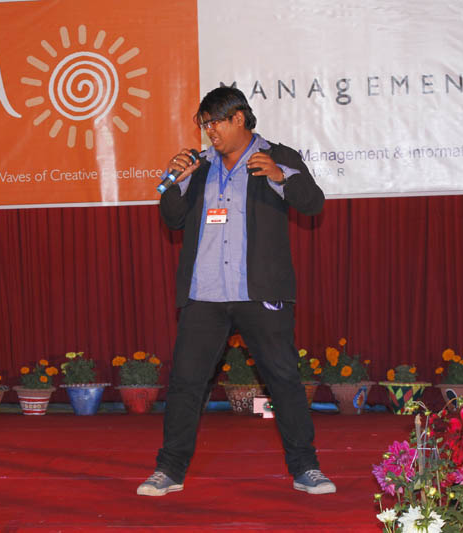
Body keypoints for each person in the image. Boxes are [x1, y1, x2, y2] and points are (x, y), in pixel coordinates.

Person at [137, 86, 334, 496]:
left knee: (283, 380)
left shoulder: (277, 156)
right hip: (205, 294)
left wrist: (281, 177)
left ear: (239, 119)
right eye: (205, 125)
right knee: (186, 384)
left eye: (215, 123)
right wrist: (175, 184)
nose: (209, 132)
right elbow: (172, 219)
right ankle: (169, 470)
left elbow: (313, 203)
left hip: (259, 292)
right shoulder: (199, 165)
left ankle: (306, 468)